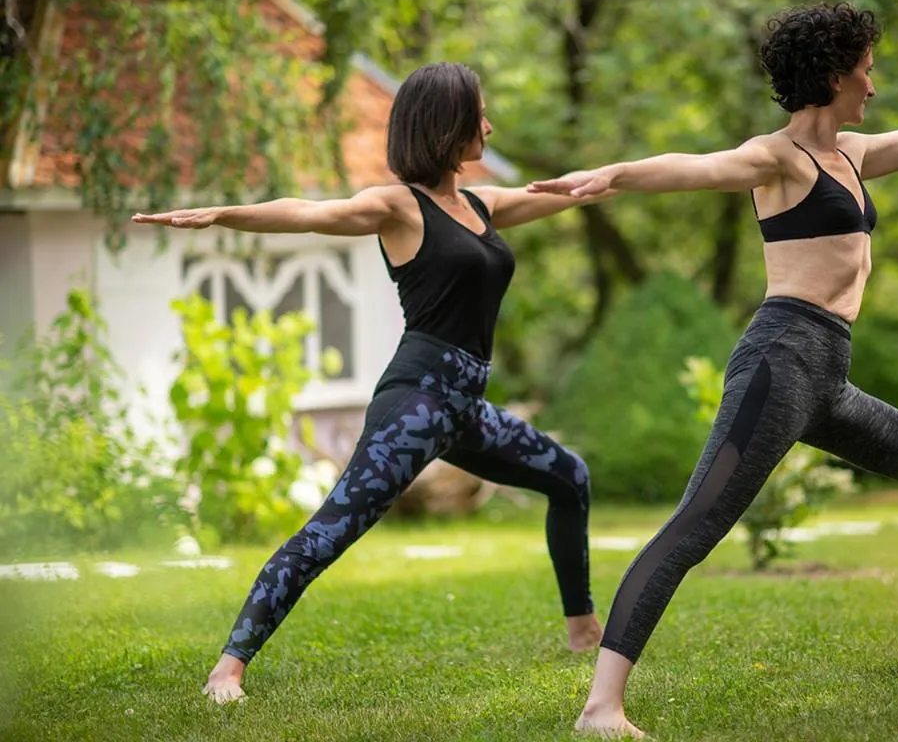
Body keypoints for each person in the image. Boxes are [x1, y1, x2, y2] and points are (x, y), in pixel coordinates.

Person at [528, 1, 898, 738]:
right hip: (779, 362)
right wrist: (612, 175)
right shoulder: (780, 158)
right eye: (866, 71)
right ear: (835, 74)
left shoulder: (853, 153)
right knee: (696, 525)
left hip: (827, 376)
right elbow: (697, 168)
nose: (873, 87)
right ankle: (601, 707)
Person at [134, 62, 617, 704]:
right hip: (415, 404)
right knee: (332, 530)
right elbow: (309, 213)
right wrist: (223, 214)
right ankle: (229, 667)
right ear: (447, 124)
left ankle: (584, 630)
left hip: (464, 405)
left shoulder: (480, 204)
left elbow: (565, 194)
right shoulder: (398, 205)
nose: (490, 125)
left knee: (568, 476)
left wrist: (617, 178)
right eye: (479, 115)